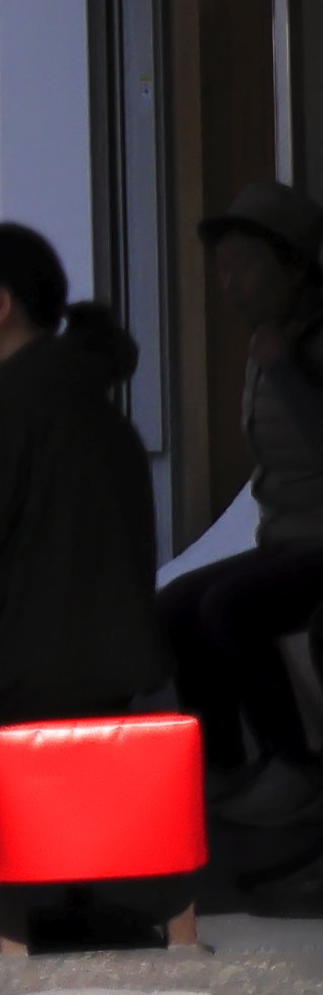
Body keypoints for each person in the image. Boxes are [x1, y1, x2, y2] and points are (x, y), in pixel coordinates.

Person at [0, 219, 169, 951]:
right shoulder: (80, 393)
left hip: (31, 668)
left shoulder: (6, 399)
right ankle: (40, 888)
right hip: (109, 661)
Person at [176, 181, 323, 874]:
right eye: (223, 266)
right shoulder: (269, 343)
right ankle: (227, 768)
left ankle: (294, 765)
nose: (229, 284)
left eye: (245, 265)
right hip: (290, 540)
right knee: (176, 606)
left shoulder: (306, 344)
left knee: (229, 607)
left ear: (294, 263)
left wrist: (288, 371)